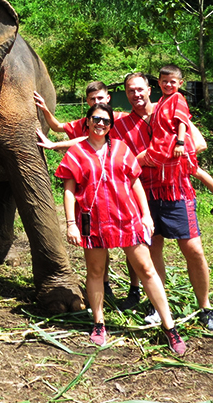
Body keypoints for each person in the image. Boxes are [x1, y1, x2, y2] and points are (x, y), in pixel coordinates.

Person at [55, 102, 186, 354]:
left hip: (126, 219)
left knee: (147, 269)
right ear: (87, 121)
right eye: (96, 119)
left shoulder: (122, 149)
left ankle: (170, 328)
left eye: (106, 120)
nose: (100, 124)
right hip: (93, 221)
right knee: (95, 271)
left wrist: (146, 215)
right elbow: (69, 191)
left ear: (110, 125)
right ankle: (99, 323)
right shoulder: (76, 153)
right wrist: (71, 223)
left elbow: (135, 182)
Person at [125, 72, 213, 335]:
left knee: (193, 250)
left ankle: (206, 309)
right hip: (144, 195)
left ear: (150, 89)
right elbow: (93, 136)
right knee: (153, 249)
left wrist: (159, 152)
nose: (136, 95)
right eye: (130, 91)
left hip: (175, 190)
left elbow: (200, 144)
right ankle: (157, 306)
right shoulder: (122, 123)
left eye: (140, 89)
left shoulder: (169, 109)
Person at [34, 81, 136, 302]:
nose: (97, 103)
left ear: (108, 98)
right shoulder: (86, 122)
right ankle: (104, 286)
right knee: (99, 243)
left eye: (100, 98)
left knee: (133, 244)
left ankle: (135, 288)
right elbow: (59, 127)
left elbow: (97, 139)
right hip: (96, 193)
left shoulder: (120, 117)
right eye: (92, 100)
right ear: (88, 103)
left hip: (123, 187)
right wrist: (44, 109)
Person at [146, 65, 213, 215]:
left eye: (172, 81)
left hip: (176, 144)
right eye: (164, 81)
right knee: (193, 170)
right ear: (159, 82)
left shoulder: (177, 98)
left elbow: (182, 121)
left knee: (193, 170)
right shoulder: (161, 101)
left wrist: (180, 143)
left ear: (180, 83)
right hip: (167, 145)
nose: (168, 85)